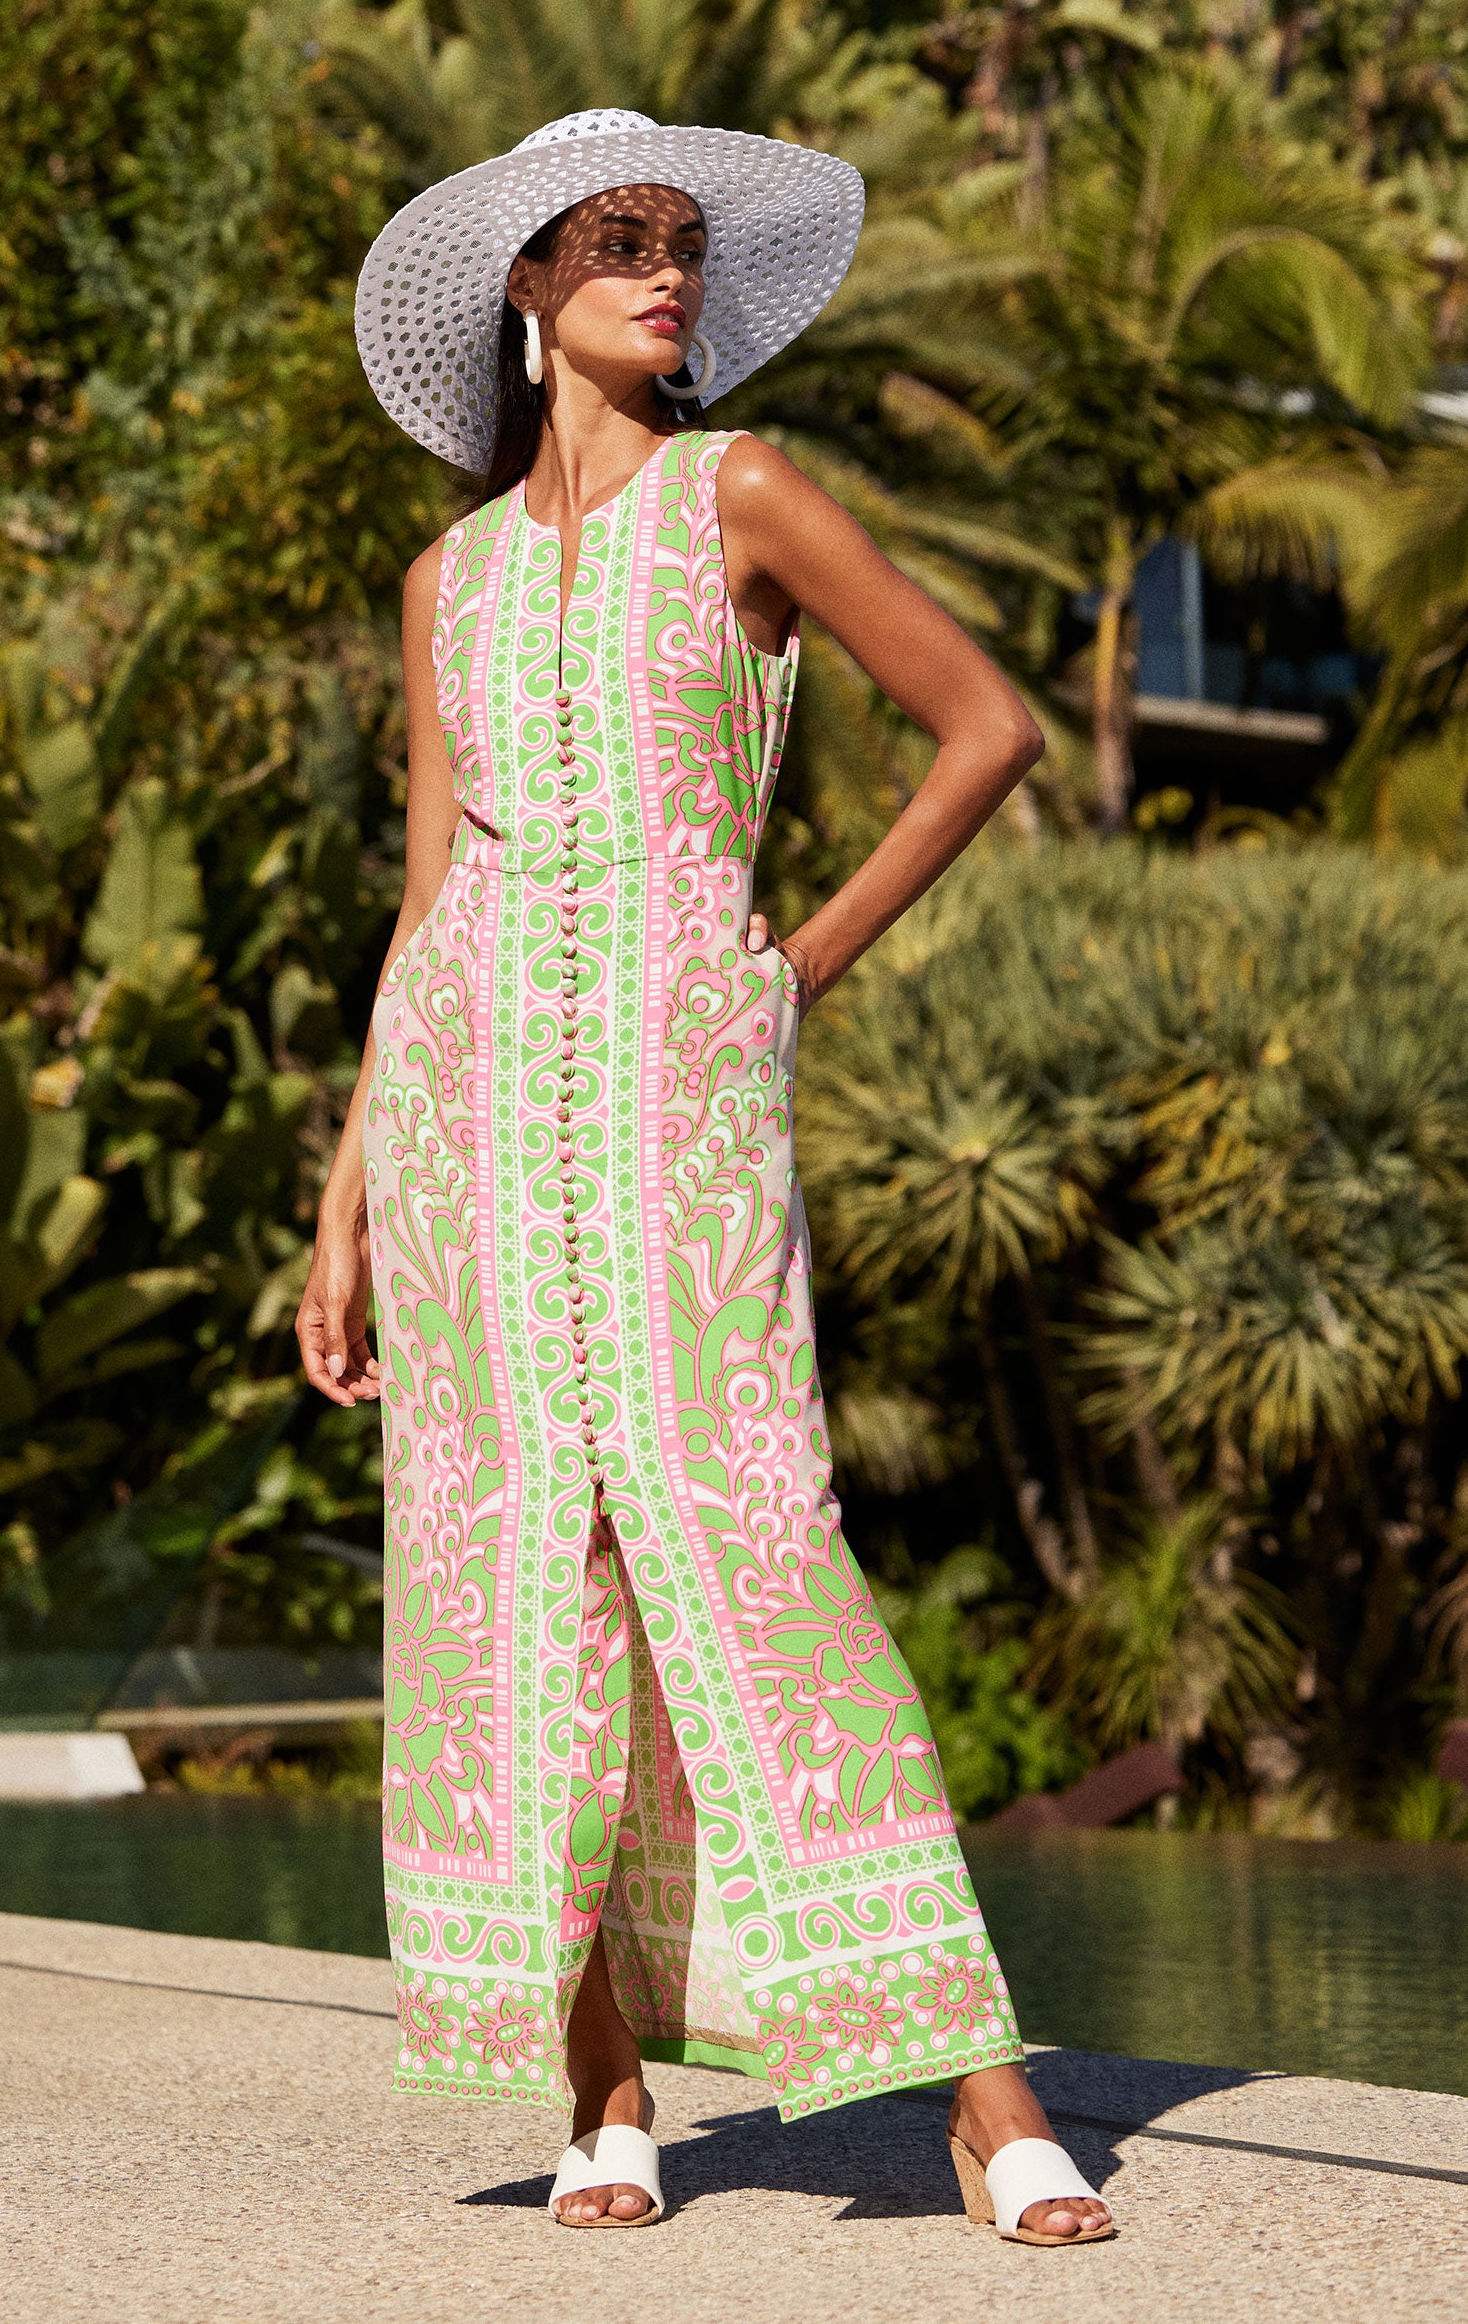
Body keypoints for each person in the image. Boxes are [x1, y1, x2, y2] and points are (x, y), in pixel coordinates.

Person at [297, 109, 1114, 2249]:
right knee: (506, 1584)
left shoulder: (738, 493)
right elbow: (422, 902)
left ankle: (984, 2096)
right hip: (468, 1124)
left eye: (680, 245)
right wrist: (348, 1188)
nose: (667, 277)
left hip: (682, 1106)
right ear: (525, 288)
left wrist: (792, 963)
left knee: (755, 1547)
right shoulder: (443, 579)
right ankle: (608, 2087)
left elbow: (984, 726)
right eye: (619, 244)